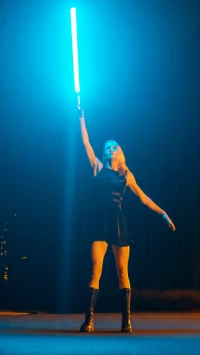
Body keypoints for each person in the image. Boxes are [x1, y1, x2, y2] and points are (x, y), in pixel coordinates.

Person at [78, 109, 176, 333]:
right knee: (96, 270)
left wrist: (163, 213)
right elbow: (86, 142)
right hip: (99, 224)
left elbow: (144, 198)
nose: (110, 148)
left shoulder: (126, 175)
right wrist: (81, 119)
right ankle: (89, 320)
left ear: (120, 152)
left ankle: (126, 322)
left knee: (123, 272)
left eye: (114, 146)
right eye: (107, 146)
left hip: (118, 223)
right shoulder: (98, 168)